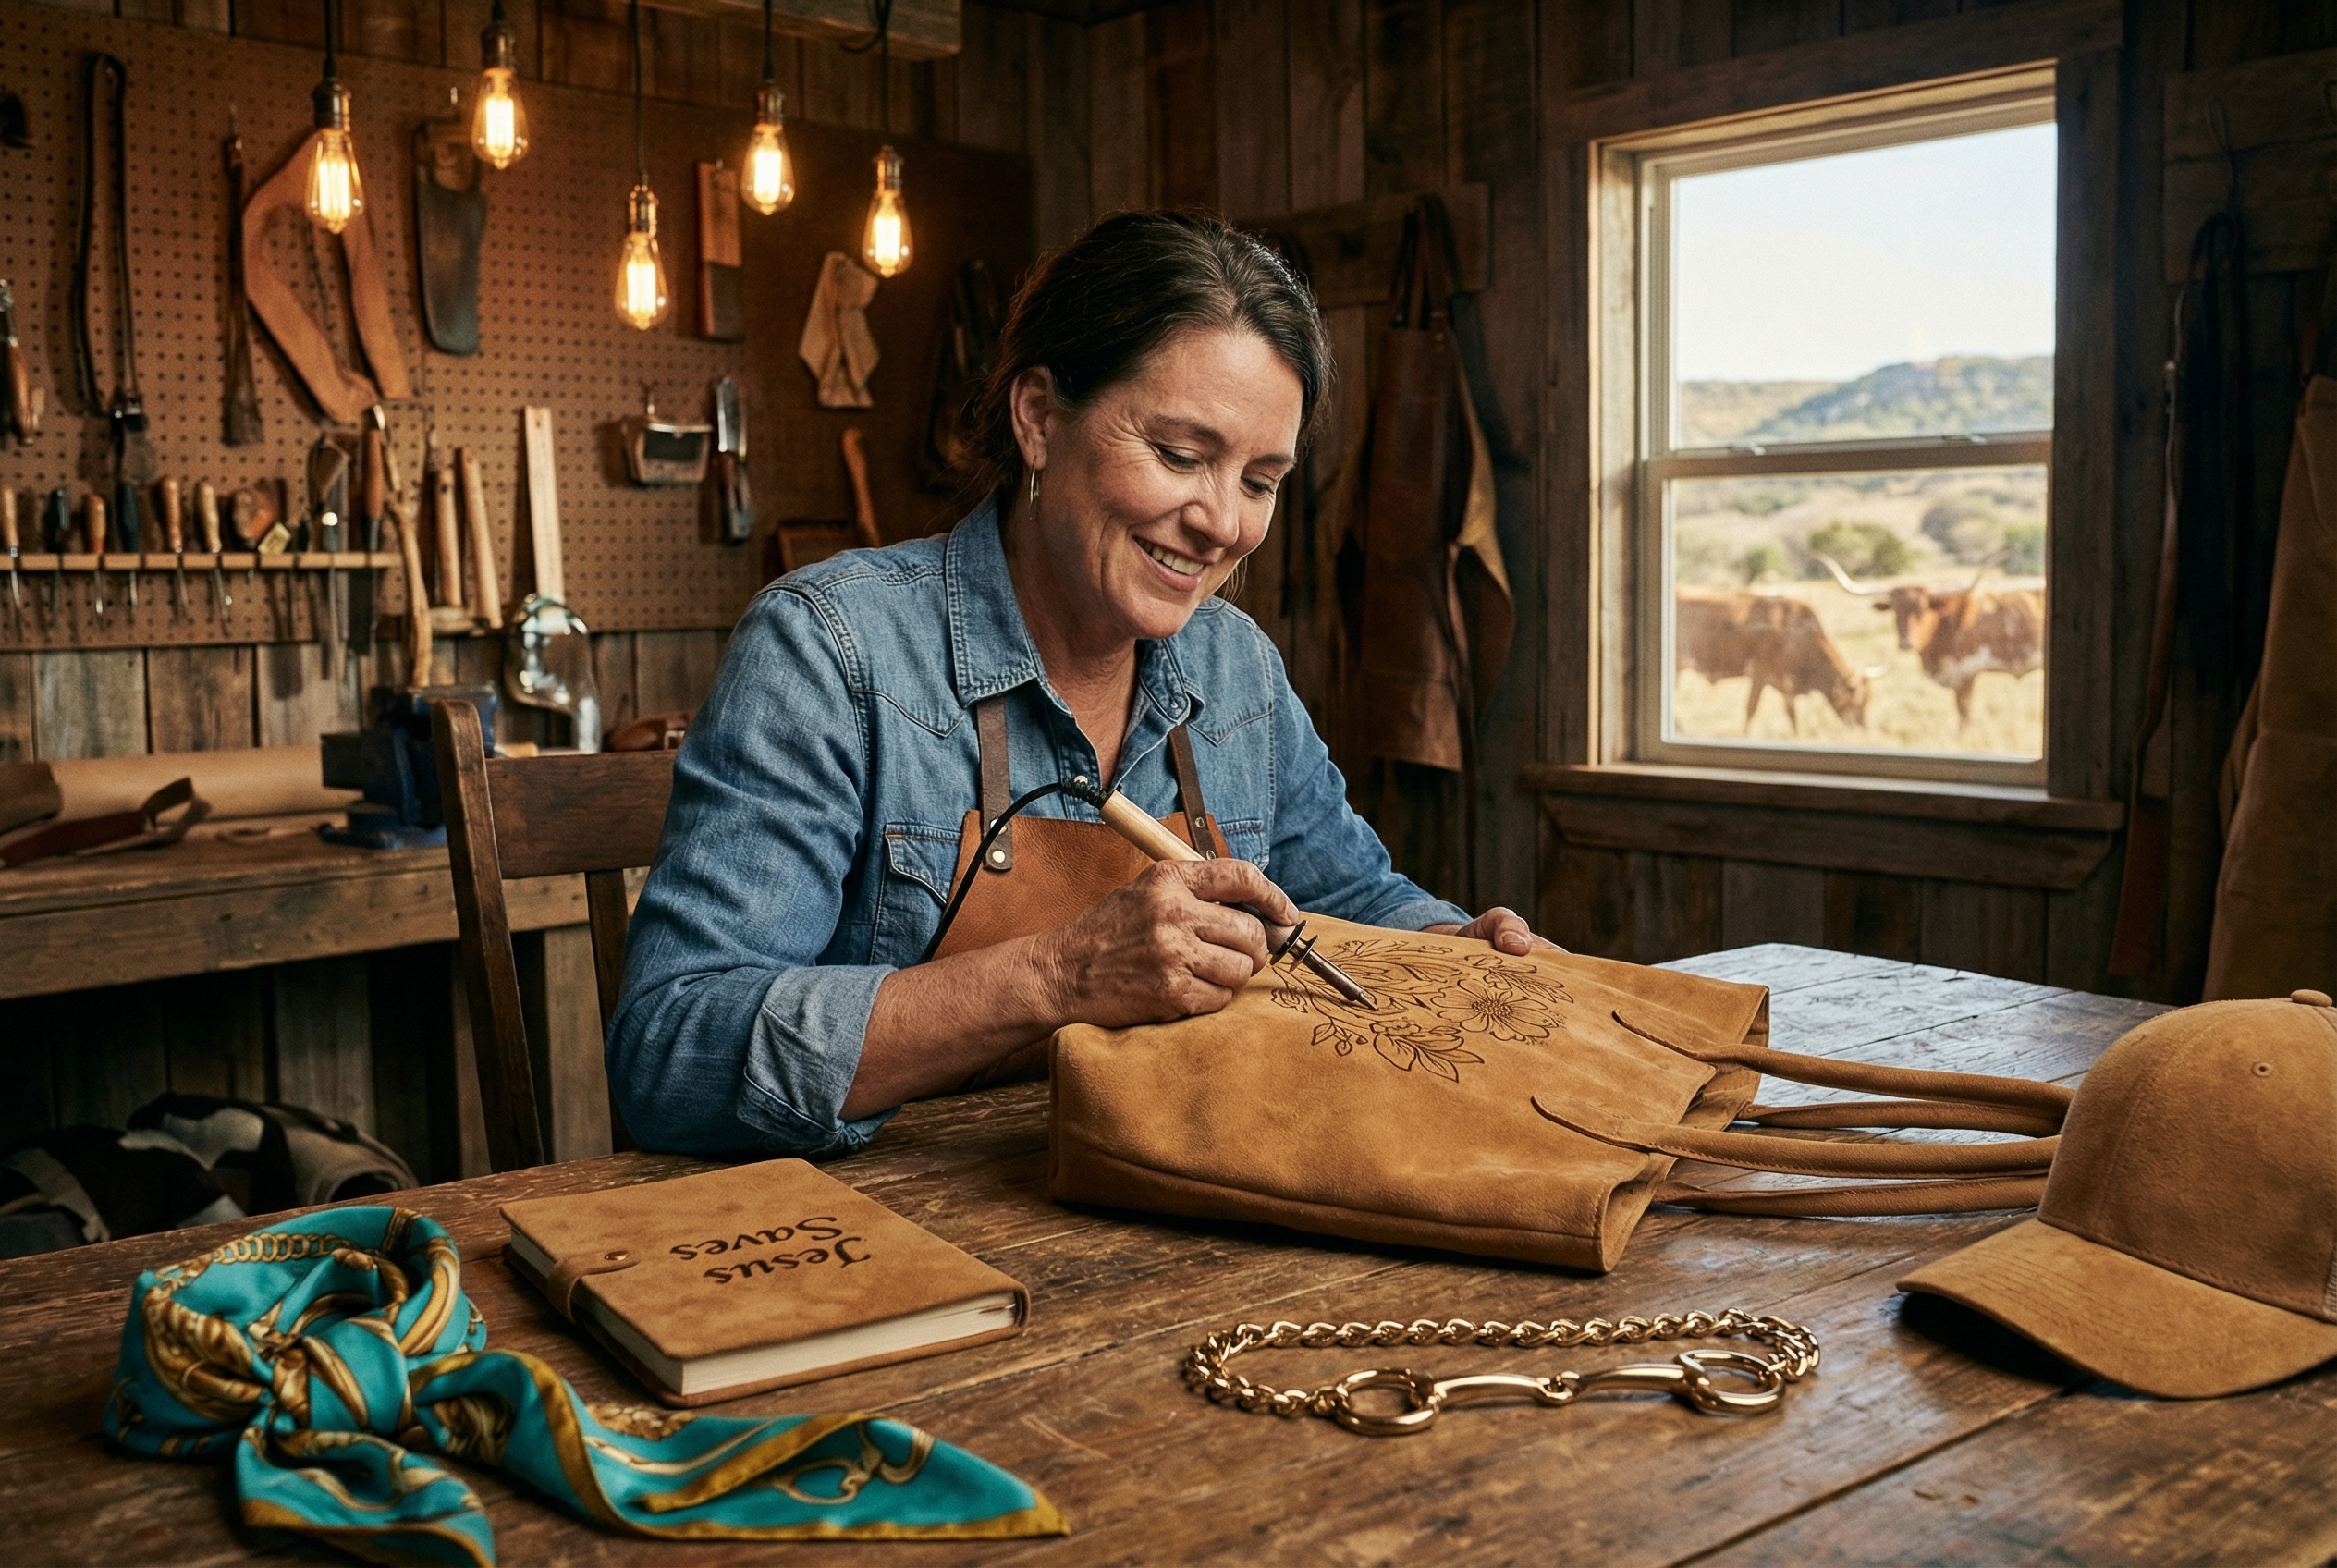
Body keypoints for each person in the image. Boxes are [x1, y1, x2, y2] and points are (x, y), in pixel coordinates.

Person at [609, 211, 1555, 1158]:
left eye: (1260, 481)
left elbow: (1350, 902)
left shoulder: (1235, 670)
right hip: (884, 1248)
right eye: (1181, 456)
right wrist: (1057, 975)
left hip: (1169, 1203)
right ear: (1038, 418)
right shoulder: (830, 651)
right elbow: (669, 1053)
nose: (1221, 523)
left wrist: (1460, 949)